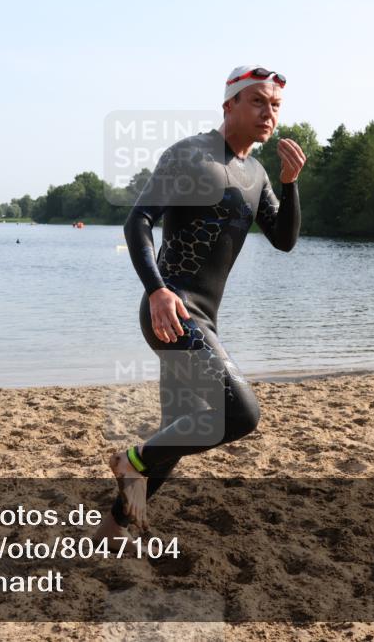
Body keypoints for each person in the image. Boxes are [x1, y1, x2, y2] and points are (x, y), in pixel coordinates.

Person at [95, 65, 306, 539]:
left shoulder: (256, 173)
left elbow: (285, 239)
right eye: (257, 101)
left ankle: (110, 528)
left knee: (178, 434)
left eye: (275, 105)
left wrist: (290, 183)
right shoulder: (191, 155)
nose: (268, 112)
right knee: (240, 414)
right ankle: (128, 462)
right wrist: (157, 290)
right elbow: (138, 222)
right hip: (173, 311)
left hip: (204, 319)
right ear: (229, 104)